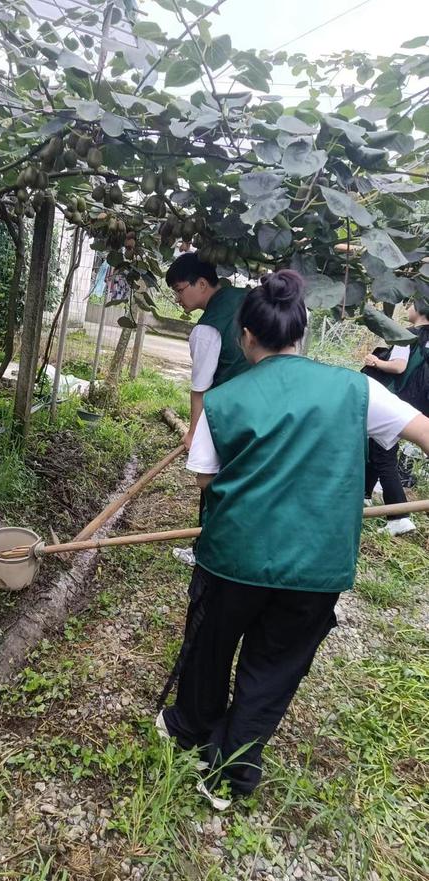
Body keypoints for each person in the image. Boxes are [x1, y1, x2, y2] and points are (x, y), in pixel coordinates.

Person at [156, 271, 429, 810]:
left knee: (210, 649)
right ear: (300, 334)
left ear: (247, 337)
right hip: (315, 569)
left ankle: (190, 728)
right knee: (272, 670)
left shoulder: (224, 400)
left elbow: (207, 482)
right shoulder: (357, 388)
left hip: (232, 558)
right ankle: (228, 777)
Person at [165, 252, 250, 566]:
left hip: (229, 415)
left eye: (179, 289)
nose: (177, 297)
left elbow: (199, 392)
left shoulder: (206, 330)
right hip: (270, 406)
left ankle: (206, 550)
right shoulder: (250, 298)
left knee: (211, 479)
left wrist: (194, 434)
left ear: (202, 283)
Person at [363, 297, 429, 535]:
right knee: (378, 446)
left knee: (383, 456)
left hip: (397, 401)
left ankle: (399, 517)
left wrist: (376, 361)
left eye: (411, 303)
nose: (408, 307)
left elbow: (399, 366)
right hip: (419, 407)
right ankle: (365, 494)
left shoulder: (406, 335)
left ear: (420, 309)